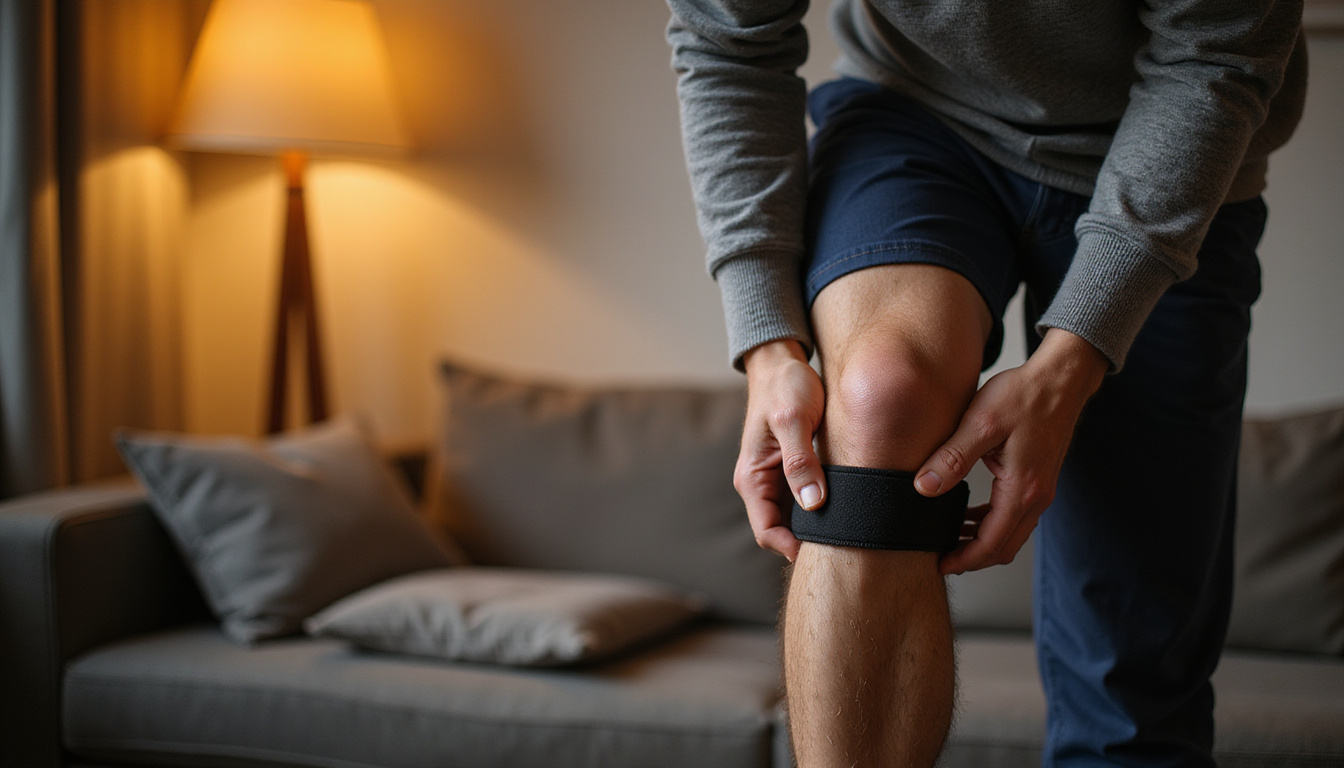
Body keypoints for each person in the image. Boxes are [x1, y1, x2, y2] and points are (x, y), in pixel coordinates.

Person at [664, 1, 1306, 766]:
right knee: (878, 399)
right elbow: (726, 40)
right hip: (918, 116)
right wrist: (768, 345)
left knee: (1131, 669)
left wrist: (1072, 365)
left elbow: (1215, 58)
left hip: (1175, 150)